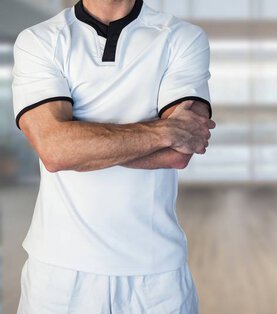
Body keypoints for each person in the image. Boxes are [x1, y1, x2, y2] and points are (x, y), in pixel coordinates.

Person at [12, 0, 215, 312]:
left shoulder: (181, 38)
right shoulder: (40, 40)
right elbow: (54, 151)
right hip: (58, 274)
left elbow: (179, 152)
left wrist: (78, 144)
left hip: (157, 277)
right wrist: (163, 131)